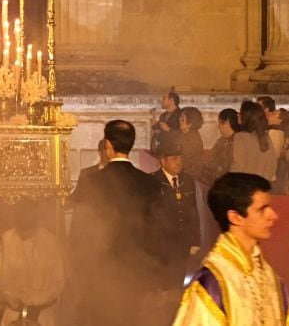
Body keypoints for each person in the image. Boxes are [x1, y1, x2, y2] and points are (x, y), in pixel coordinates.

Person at [173, 173, 289, 325]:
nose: (273, 215)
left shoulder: (269, 275)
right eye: (262, 209)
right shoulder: (213, 283)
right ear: (235, 217)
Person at [83, 120, 158, 326]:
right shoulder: (149, 183)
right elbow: (157, 230)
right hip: (137, 269)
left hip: (101, 269)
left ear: (108, 144)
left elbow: (83, 232)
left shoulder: (93, 182)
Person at [0, 200, 66, 326]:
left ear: (36, 223)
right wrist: (11, 299)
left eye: (28, 230)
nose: (23, 234)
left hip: (42, 314)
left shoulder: (51, 243)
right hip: (13, 313)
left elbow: (59, 283)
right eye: (20, 230)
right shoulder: (6, 241)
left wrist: (37, 301)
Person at [150, 142, 200, 293]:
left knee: (179, 283)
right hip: (162, 244)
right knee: (162, 284)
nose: (178, 162)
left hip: (182, 243)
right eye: (173, 158)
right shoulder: (152, 181)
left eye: (180, 158)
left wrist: (195, 240)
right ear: (163, 161)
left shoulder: (187, 181)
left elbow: (193, 212)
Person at [230, 101, 277, 181]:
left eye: (240, 112)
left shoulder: (240, 137)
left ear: (246, 117)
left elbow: (237, 167)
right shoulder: (265, 137)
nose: (238, 114)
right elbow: (272, 166)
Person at [201, 108, 237, 186]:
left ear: (227, 123)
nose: (218, 126)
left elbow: (226, 167)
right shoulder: (222, 140)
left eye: (220, 123)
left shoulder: (236, 142)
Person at [68, 138, 109, 206]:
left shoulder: (120, 174)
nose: (110, 155)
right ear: (100, 153)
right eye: (107, 151)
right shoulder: (86, 174)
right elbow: (76, 197)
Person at [176, 106, 205, 179]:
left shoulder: (193, 138)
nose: (179, 119)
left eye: (182, 119)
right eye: (180, 117)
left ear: (190, 124)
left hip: (190, 175)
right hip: (181, 171)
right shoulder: (184, 134)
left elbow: (184, 161)